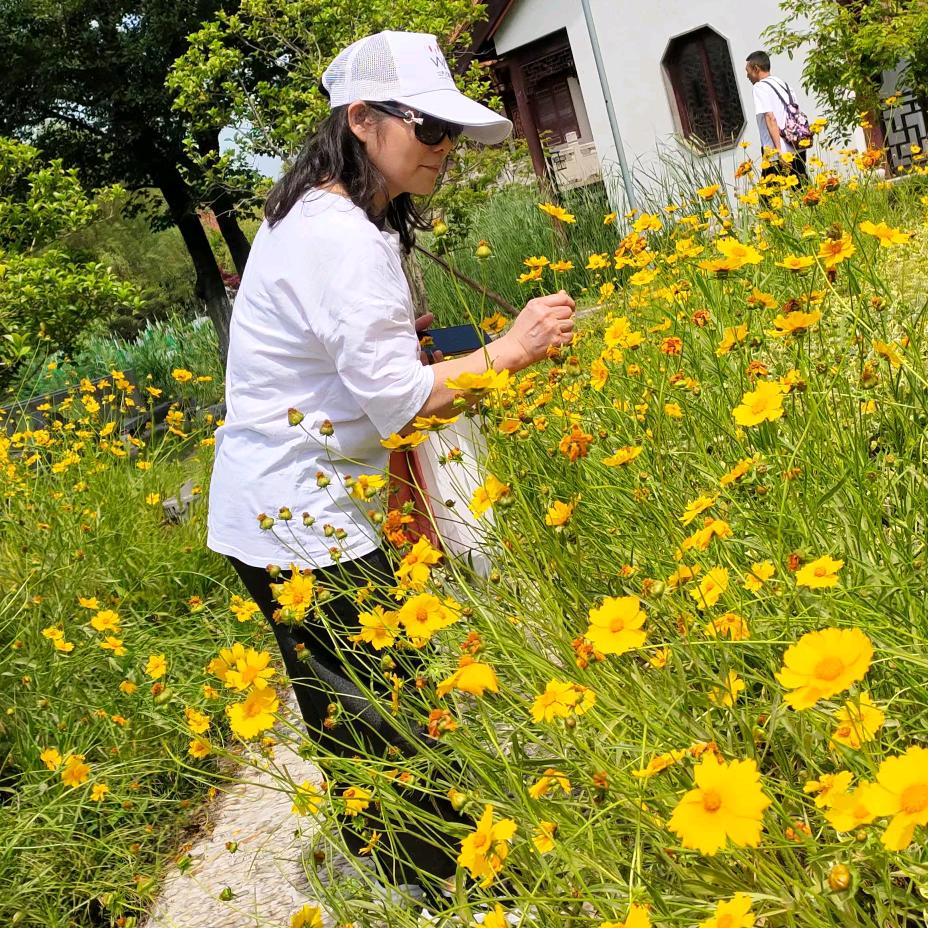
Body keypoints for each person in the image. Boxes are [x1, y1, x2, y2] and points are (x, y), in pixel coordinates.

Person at [206, 29, 575, 902]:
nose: (445, 150)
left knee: (363, 705)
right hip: (302, 521)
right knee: (384, 713)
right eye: (432, 130)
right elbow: (405, 403)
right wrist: (513, 351)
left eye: (452, 132)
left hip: (288, 510)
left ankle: (420, 872)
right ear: (363, 120)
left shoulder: (318, 215)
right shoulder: (340, 237)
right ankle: (453, 889)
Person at [745, 50, 808, 185]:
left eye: (748, 71)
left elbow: (770, 117)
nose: (747, 76)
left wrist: (779, 151)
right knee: (803, 191)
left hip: (775, 151)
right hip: (797, 145)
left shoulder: (760, 87)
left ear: (756, 69)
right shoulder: (784, 84)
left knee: (769, 197)